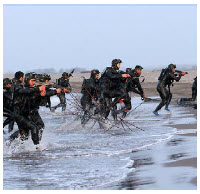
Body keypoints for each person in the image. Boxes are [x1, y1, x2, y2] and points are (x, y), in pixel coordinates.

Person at [8, 72, 61, 148]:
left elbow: (41, 93)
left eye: (34, 80)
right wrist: (39, 89)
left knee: (25, 136)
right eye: (32, 80)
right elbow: (25, 91)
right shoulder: (19, 87)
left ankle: (16, 150)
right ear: (27, 80)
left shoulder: (31, 88)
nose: (34, 82)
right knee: (34, 128)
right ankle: (37, 147)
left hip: (26, 114)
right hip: (18, 114)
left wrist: (54, 91)